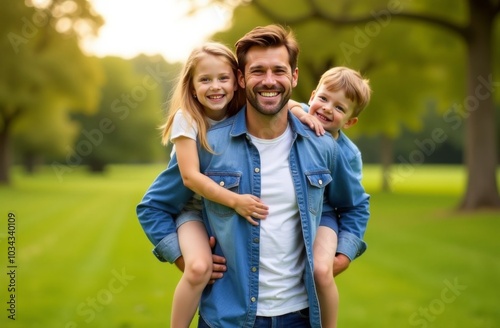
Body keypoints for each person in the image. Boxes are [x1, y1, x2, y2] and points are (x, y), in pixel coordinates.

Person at [137, 24, 370, 327]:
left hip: (299, 317)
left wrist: (342, 257)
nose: (269, 81)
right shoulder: (208, 144)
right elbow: (154, 207)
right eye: (258, 71)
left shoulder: (322, 145)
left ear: (294, 77)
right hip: (228, 318)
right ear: (242, 79)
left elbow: (353, 206)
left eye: (279, 70)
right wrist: (189, 263)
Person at [161, 42, 270, 328]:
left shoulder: (242, 112)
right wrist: (236, 200)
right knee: (198, 268)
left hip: (220, 215)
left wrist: (302, 111)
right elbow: (190, 177)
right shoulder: (187, 119)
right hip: (194, 211)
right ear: (192, 86)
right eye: (205, 79)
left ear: (237, 81)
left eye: (223, 78)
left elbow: (282, 105)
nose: (215, 86)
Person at [289, 66, 372, 328]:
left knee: (322, 272)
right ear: (313, 96)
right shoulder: (298, 115)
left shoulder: (347, 154)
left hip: (324, 215)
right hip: (293, 209)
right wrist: (300, 112)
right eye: (323, 99)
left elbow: (354, 204)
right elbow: (287, 102)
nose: (326, 108)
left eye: (339, 108)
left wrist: (345, 253)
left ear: (349, 121)